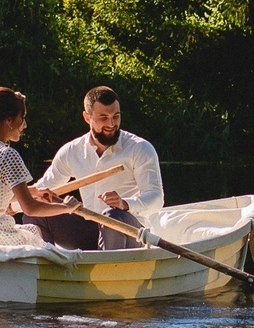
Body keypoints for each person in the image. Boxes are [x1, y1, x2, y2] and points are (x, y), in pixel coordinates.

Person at [28, 86, 165, 252]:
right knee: (34, 210)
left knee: (113, 215)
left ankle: (111, 272)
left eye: (116, 116)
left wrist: (124, 204)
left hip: (130, 232)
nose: (111, 124)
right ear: (87, 117)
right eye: (103, 118)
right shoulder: (72, 151)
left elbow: (156, 199)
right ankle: (47, 266)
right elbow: (44, 188)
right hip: (90, 230)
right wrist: (14, 204)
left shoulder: (140, 148)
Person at [0, 87, 78, 248]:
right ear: (9, 120)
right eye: (22, 117)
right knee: (34, 232)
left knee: (30, 229)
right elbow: (31, 209)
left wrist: (34, 191)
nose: (25, 125)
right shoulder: (7, 154)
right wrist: (66, 207)